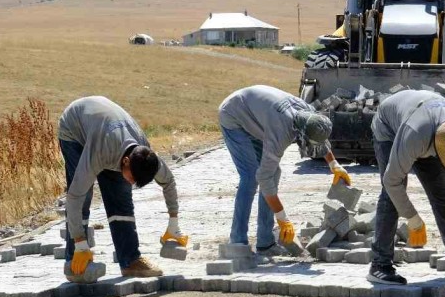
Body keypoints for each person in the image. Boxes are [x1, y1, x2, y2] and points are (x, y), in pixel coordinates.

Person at [366, 89, 445, 284]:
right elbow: (391, 181)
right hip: (389, 128)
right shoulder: (415, 135)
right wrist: (412, 218)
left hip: (426, 124)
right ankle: (379, 265)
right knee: (392, 195)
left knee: (444, 195)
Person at [58, 96, 187, 280]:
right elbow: (74, 197)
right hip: (74, 130)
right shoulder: (100, 152)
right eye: (132, 178)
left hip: (105, 129)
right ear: (126, 161)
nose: (132, 183)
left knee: (121, 197)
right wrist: (80, 242)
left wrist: (173, 222)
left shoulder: (144, 153)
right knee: (83, 195)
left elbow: (168, 182)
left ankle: (130, 261)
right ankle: (75, 261)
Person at [219, 85, 351, 257]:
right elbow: (263, 177)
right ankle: (237, 242)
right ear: (301, 135)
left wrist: (334, 164)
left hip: (258, 116)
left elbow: (319, 138)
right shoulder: (281, 133)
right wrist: (283, 219)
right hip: (234, 115)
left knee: (274, 173)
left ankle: (265, 243)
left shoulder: (309, 115)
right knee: (251, 177)